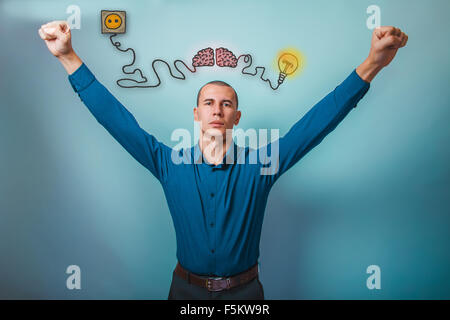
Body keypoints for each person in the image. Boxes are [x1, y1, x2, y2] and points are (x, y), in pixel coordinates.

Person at [38, 20, 408, 300]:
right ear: (196, 114)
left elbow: (317, 122)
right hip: (184, 293)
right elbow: (116, 119)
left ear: (236, 117)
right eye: (209, 103)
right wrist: (69, 57)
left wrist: (372, 64)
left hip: (247, 296)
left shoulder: (262, 165)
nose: (217, 109)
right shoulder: (168, 164)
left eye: (226, 104)